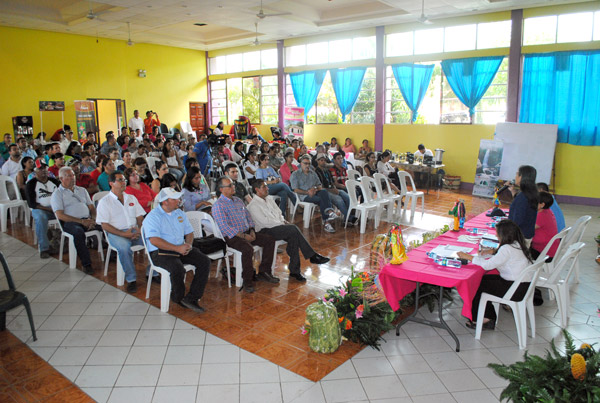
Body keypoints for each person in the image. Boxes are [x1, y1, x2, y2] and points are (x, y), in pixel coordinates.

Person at [457, 220, 534, 330]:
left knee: (476, 285)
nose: (496, 235)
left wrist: (468, 257)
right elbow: (504, 256)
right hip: (523, 285)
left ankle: (485, 318)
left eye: (497, 233)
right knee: (482, 280)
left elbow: (488, 265)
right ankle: (488, 315)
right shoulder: (517, 244)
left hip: (514, 289)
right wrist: (492, 252)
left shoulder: (506, 249)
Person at [247, 180, 330, 282]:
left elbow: (279, 212)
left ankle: (295, 271)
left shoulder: (268, 199)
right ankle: (311, 256)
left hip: (277, 226)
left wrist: (283, 221)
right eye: (264, 187)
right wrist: (282, 224)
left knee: (293, 234)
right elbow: (265, 222)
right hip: (265, 231)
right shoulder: (253, 205)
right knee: (292, 229)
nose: (267, 188)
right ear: (257, 190)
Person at [143, 188, 211, 312]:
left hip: (180, 247)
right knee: (177, 268)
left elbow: (189, 232)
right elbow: (154, 240)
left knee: (204, 261)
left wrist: (188, 245)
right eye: (174, 199)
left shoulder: (179, 213)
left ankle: (192, 298)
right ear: (165, 202)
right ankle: (177, 297)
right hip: (160, 252)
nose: (179, 201)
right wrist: (177, 248)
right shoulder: (153, 216)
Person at [212, 176, 278, 293]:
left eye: (233, 184)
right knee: (247, 249)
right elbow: (225, 227)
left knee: (269, 240)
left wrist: (252, 230)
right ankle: (247, 280)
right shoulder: (218, 205)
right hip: (232, 237)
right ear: (221, 189)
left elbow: (248, 217)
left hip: (247, 232)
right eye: (230, 186)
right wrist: (243, 236)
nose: (233, 187)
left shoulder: (238, 200)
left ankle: (264, 272)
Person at [96, 171, 145, 293]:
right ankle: (131, 279)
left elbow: (140, 216)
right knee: (124, 248)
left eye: (124, 180)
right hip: (116, 232)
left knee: (152, 241)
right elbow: (105, 225)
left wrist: (140, 229)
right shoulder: (105, 202)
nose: (124, 182)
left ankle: (153, 273)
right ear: (111, 183)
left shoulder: (130, 197)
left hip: (134, 229)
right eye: (120, 180)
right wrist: (124, 234)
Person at [51, 166, 99, 274]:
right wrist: (82, 222)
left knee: (106, 226)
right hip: (71, 222)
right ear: (61, 179)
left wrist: (93, 219)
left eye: (73, 175)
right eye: (68, 176)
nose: (72, 178)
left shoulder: (82, 190)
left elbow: (91, 207)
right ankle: (86, 264)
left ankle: (113, 254)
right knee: (78, 233)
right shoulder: (58, 194)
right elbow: (60, 215)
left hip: (87, 219)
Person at [290, 155, 337, 233]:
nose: (307, 165)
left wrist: (314, 189)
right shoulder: (295, 174)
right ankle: (327, 221)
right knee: (320, 199)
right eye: (305, 163)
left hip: (314, 192)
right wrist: (307, 192)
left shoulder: (313, 173)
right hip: (303, 196)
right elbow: (295, 189)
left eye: (309, 164)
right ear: (301, 164)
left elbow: (319, 185)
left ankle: (329, 213)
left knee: (324, 192)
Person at [26, 160, 60, 259]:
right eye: (40, 168)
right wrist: (49, 209)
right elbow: (32, 204)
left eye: (45, 168)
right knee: (41, 218)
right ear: (35, 170)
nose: (44, 170)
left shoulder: (54, 181)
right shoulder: (31, 184)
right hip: (40, 209)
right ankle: (44, 248)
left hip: (56, 209)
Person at [315, 153, 355, 224]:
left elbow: (332, 182)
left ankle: (346, 218)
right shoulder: (316, 172)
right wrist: (332, 190)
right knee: (339, 200)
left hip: (332, 189)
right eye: (321, 160)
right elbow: (320, 187)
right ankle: (349, 218)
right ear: (317, 161)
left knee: (347, 197)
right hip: (324, 191)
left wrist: (334, 188)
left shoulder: (326, 170)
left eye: (324, 160)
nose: (323, 162)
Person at [508, 165, 539, 243]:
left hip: (519, 238)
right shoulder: (530, 193)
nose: (515, 176)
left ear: (521, 177)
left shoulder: (523, 197)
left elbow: (517, 221)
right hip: (526, 234)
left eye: (517, 174)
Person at [530, 191, 559, 260]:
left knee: (516, 250)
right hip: (549, 248)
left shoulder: (542, 215)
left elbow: (527, 229)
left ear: (542, 205)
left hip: (544, 252)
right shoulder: (547, 211)